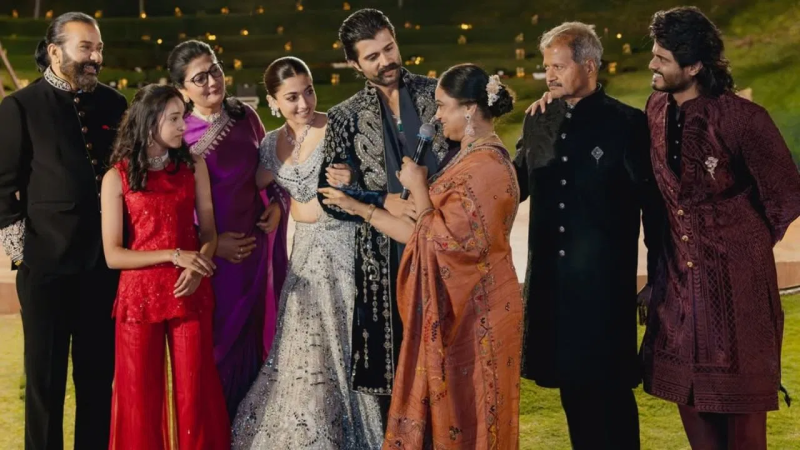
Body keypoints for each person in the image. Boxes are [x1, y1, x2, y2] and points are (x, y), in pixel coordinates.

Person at [321, 63, 522, 450]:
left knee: (475, 418)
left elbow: (446, 245)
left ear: (469, 110)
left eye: (443, 106)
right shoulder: (467, 157)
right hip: (464, 310)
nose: (436, 116)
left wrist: (418, 187)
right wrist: (358, 207)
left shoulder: (486, 168)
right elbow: (421, 236)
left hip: (479, 314)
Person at [641, 7, 800, 449]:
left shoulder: (744, 119)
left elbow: (786, 194)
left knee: (743, 423)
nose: (652, 64)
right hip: (678, 286)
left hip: (737, 290)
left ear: (694, 66)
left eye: (662, 58)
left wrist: (741, 243)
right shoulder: (655, 110)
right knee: (692, 405)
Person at [520, 22, 665, 449]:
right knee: (572, 392)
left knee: (611, 393)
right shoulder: (538, 119)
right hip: (553, 287)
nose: (549, 75)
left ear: (588, 65)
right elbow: (513, 185)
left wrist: (656, 278)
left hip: (604, 292)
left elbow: (654, 209)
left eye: (559, 66)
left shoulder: (627, 124)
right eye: (547, 66)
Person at [231, 57, 383, 450]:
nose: (304, 104)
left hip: (345, 246)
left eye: (309, 91)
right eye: (292, 97)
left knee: (347, 341)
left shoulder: (337, 128)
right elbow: (252, 185)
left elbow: (379, 179)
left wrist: (354, 177)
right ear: (273, 101)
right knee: (305, 348)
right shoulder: (269, 145)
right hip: (304, 255)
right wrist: (276, 203)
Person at [316, 8, 453, 421]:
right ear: (354, 64)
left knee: (449, 371)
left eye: (389, 48)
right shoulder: (344, 117)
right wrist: (380, 198)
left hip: (445, 248)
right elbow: (329, 198)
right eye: (372, 56)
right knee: (393, 387)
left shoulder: (437, 95)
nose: (386, 60)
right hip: (381, 263)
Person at [0, 12, 127, 449]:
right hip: (46, 272)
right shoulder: (20, 107)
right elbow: (3, 189)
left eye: (99, 48)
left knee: (97, 382)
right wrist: (25, 256)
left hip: (103, 269)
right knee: (45, 385)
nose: (96, 57)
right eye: (85, 48)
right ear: (55, 52)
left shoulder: (114, 103)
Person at [101, 84, 230, 449]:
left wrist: (198, 265)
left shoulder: (193, 166)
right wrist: (173, 255)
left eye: (182, 117)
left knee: (195, 392)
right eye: (174, 119)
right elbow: (113, 255)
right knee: (138, 398)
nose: (183, 126)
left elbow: (209, 232)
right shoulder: (117, 177)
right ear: (149, 122)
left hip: (189, 290)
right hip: (139, 297)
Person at [167, 40, 289, 419]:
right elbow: (173, 204)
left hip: (255, 255)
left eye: (215, 70)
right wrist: (213, 245)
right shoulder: (177, 134)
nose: (211, 82)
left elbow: (269, 171)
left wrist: (277, 206)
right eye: (199, 78)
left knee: (256, 346)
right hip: (213, 265)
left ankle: (252, 431)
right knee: (216, 351)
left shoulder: (245, 116)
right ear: (182, 89)